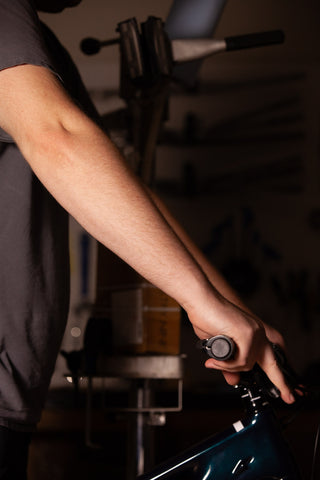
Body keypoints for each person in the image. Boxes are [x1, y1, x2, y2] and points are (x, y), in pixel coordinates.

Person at [0, 0, 294, 477]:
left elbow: (129, 192)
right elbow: (58, 136)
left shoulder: (41, 44)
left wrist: (229, 308)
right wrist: (202, 302)